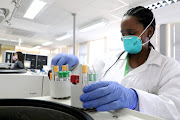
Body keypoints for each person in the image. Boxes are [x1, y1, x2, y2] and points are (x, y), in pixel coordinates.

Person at [51, 6, 180, 120]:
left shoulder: (169, 67)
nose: (126, 38)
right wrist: (74, 67)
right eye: (123, 34)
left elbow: (174, 109)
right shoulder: (107, 60)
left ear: (149, 32)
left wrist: (135, 98)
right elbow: (87, 79)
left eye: (131, 33)